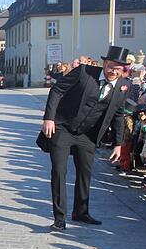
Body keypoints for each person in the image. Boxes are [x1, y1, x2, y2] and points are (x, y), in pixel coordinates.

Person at [41, 46, 131, 230]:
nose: (114, 71)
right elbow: (57, 90)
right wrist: (49, 118)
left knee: (85, 173)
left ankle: (81, 212)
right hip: (63, 128)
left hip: (88, 134)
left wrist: (118, 144)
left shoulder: (124, 86)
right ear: (105, 64)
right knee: (59, 171)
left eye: (118, 69)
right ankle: (60, 218)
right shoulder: (84, 72)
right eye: (111, 67)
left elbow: (118, 115)